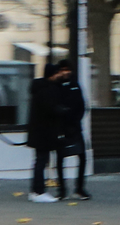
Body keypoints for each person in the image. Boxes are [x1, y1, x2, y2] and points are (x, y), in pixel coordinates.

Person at [27, 59, 90, 203]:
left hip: (48, 131)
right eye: (59, 72)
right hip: (46, 132)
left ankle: (39, 190)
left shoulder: (45, 87)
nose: (62, 74)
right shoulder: (48, 89)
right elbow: (52, 108)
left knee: (43, 160)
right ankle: (40, 191)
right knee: (44, 160)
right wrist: (65, 113)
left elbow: (79, 106)